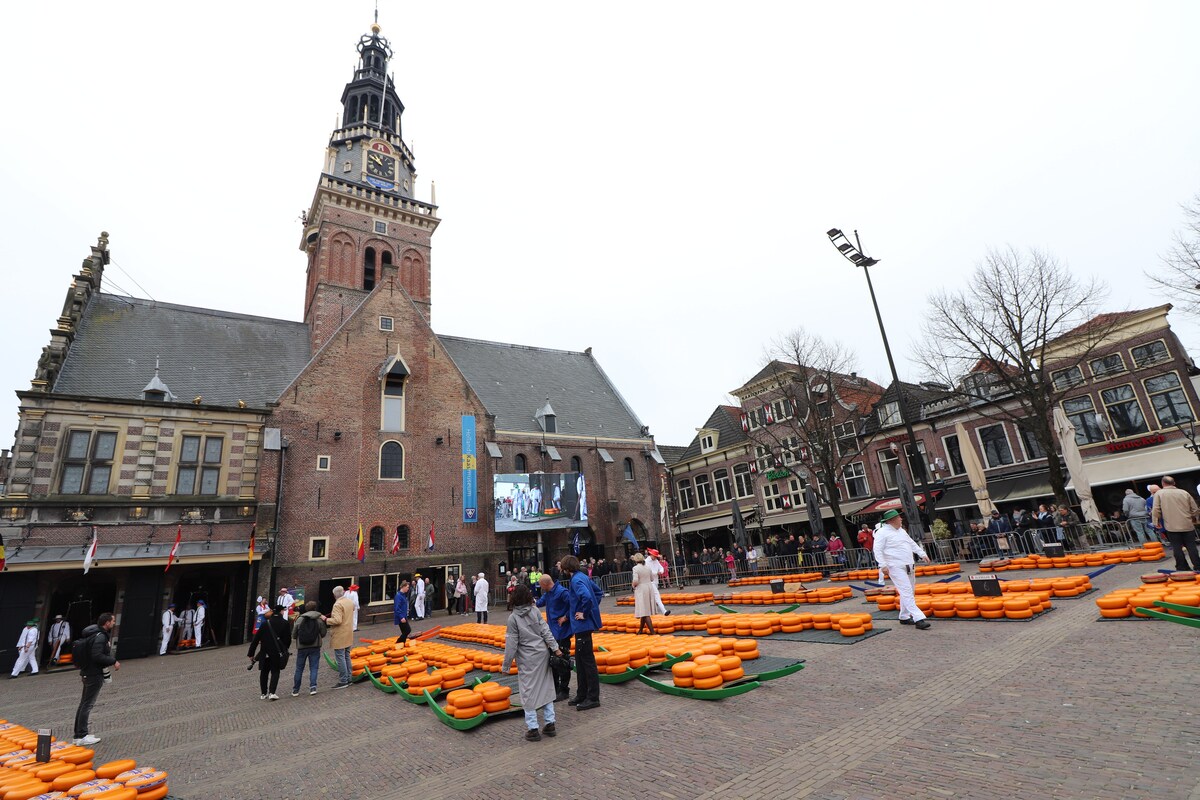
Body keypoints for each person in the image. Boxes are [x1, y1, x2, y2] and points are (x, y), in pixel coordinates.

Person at [503, 583, 564, 741]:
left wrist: (506, 665)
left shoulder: (513, 618)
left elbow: (511, 644)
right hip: (542, 655)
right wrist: (555, 648)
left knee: (528, 691)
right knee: (546, 687)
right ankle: (550, 723)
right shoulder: (535, 611)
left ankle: (533, 728)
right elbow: (545, 630)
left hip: (526, 659)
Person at [873, 509, 932, 630]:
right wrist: (882, 565)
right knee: (906, 591)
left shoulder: (901, 531)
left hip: (909, 565)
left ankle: (904, 616)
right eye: (898, 517)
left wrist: (922, 554)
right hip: (895, 566)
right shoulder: (882, 533)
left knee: (910, 591)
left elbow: (911, 543)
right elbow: (877, 550)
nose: (901, 519)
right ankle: (918, 618)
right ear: (891, 520)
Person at [561, 555, 601, 710]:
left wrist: (584, 613)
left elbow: (587, 597)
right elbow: (597, 593)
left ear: (566, 568)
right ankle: (582, 693)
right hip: (583, 626)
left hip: (582, 626)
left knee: (587, 662)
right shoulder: (583, 576)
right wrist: (592, 610)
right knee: (581, 660)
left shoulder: (576, 580)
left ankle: (592, 697)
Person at [73, 613, 119, 745]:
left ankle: (78, 735)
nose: (114, 623)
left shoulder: (93, 634)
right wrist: (113, 661)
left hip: (87, 672)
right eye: (113, 621)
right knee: (87, 705)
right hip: (94, 674)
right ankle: (82, 736)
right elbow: (97, 655)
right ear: (107, 623)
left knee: (84, 704)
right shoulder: (100, 636)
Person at [1151, 475, 1200, 572]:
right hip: (1187, 524)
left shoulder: (1159, 494)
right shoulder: (1184, 492)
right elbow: (1194, 509)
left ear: (1163, 483)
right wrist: (1194, 518)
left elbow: (1156, 509)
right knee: (1191, 546)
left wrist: (1156, 521)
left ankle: (1182, 567)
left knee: (1177, 547)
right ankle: (1198, 565)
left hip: (1171, 526)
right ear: (1174, 483)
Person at [537, 574, 573, 701]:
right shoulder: (548, 593)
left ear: (546, 584)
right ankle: (555, 688)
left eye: (541, 586)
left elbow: (573, 605)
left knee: (562, 661)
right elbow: (540, 602)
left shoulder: (562, 592)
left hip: (562, 632)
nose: (540, 588)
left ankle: (564, 690)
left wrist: (566, 617)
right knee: (553, 661)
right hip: (552, 632)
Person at [247, 604, 291, 700]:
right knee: (275, 671)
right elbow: (288, 640)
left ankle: (263, 693)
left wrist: (251, 653)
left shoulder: (265, 624)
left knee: (264, 672)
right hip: (277, 652)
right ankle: (272, 692)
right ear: (281, 612)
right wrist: (284, 649)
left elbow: (255, 640)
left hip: (265, 651)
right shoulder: (285, 623)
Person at [291, 600, 327, 697]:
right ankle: (313, 688)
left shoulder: (299, 619)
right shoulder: (318, 619)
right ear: (315, 608)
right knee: (314, 668)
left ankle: (295, 690)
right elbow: (323, 633)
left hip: (302, 647)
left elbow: (294, 635)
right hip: (315, 647)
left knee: (299, 669)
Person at [326, 585, 356, 689]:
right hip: (348, 632)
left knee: (340, 657)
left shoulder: (337, 604)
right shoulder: (349, 602)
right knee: (347, 655)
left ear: (334, 595)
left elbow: (337, 620)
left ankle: (343, 680)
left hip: (340, 634)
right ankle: (349, 678)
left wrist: (326, 619)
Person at [630, 553, 657, 635]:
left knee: (644, 612)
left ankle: (652, 632)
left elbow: (635, 580)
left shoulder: (635, 568)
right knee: (644, 610)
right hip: (649, 587)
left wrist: (633, 585)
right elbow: (652, 578)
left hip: (641, 589)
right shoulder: (647, 567)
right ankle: (640, 630)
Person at [645, 549, 669, 616]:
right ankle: (664, 611)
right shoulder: (646, 561)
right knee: (657, 596)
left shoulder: (656, 561)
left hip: (656, 581)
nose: (655, 557)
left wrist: (661, 571)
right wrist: (656, 573)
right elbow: (648, 571)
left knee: (653, 597)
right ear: (651, 555)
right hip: (650, 581)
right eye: (655, 556)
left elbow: (661, 568)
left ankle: (651, 611)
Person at [393, 580, 412, 644]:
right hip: (401, 617)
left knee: (405, 631)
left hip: (404, 616)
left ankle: (401, 644)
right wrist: (401, 617)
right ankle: (398, 643)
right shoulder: (398, 596)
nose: (408, 589)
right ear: (403, 587)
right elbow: (397, 608)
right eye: (407, 587)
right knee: (407, 630)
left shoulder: (403, 595)